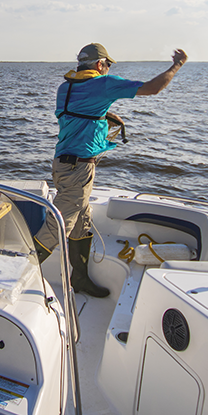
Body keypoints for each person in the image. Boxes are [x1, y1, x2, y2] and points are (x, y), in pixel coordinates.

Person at [33, 44, 187, 298]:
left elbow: (78, 113)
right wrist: (177, 65)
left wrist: (105, 114)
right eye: (108, 65)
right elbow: (153, 88)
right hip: (78, 169)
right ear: (99, 64)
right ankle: (15, 273)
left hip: (64, 165)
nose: (108, 70)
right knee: (58, 226)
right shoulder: (103, 84)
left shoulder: (66, 87)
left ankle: (80, 279)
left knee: (82, 225)